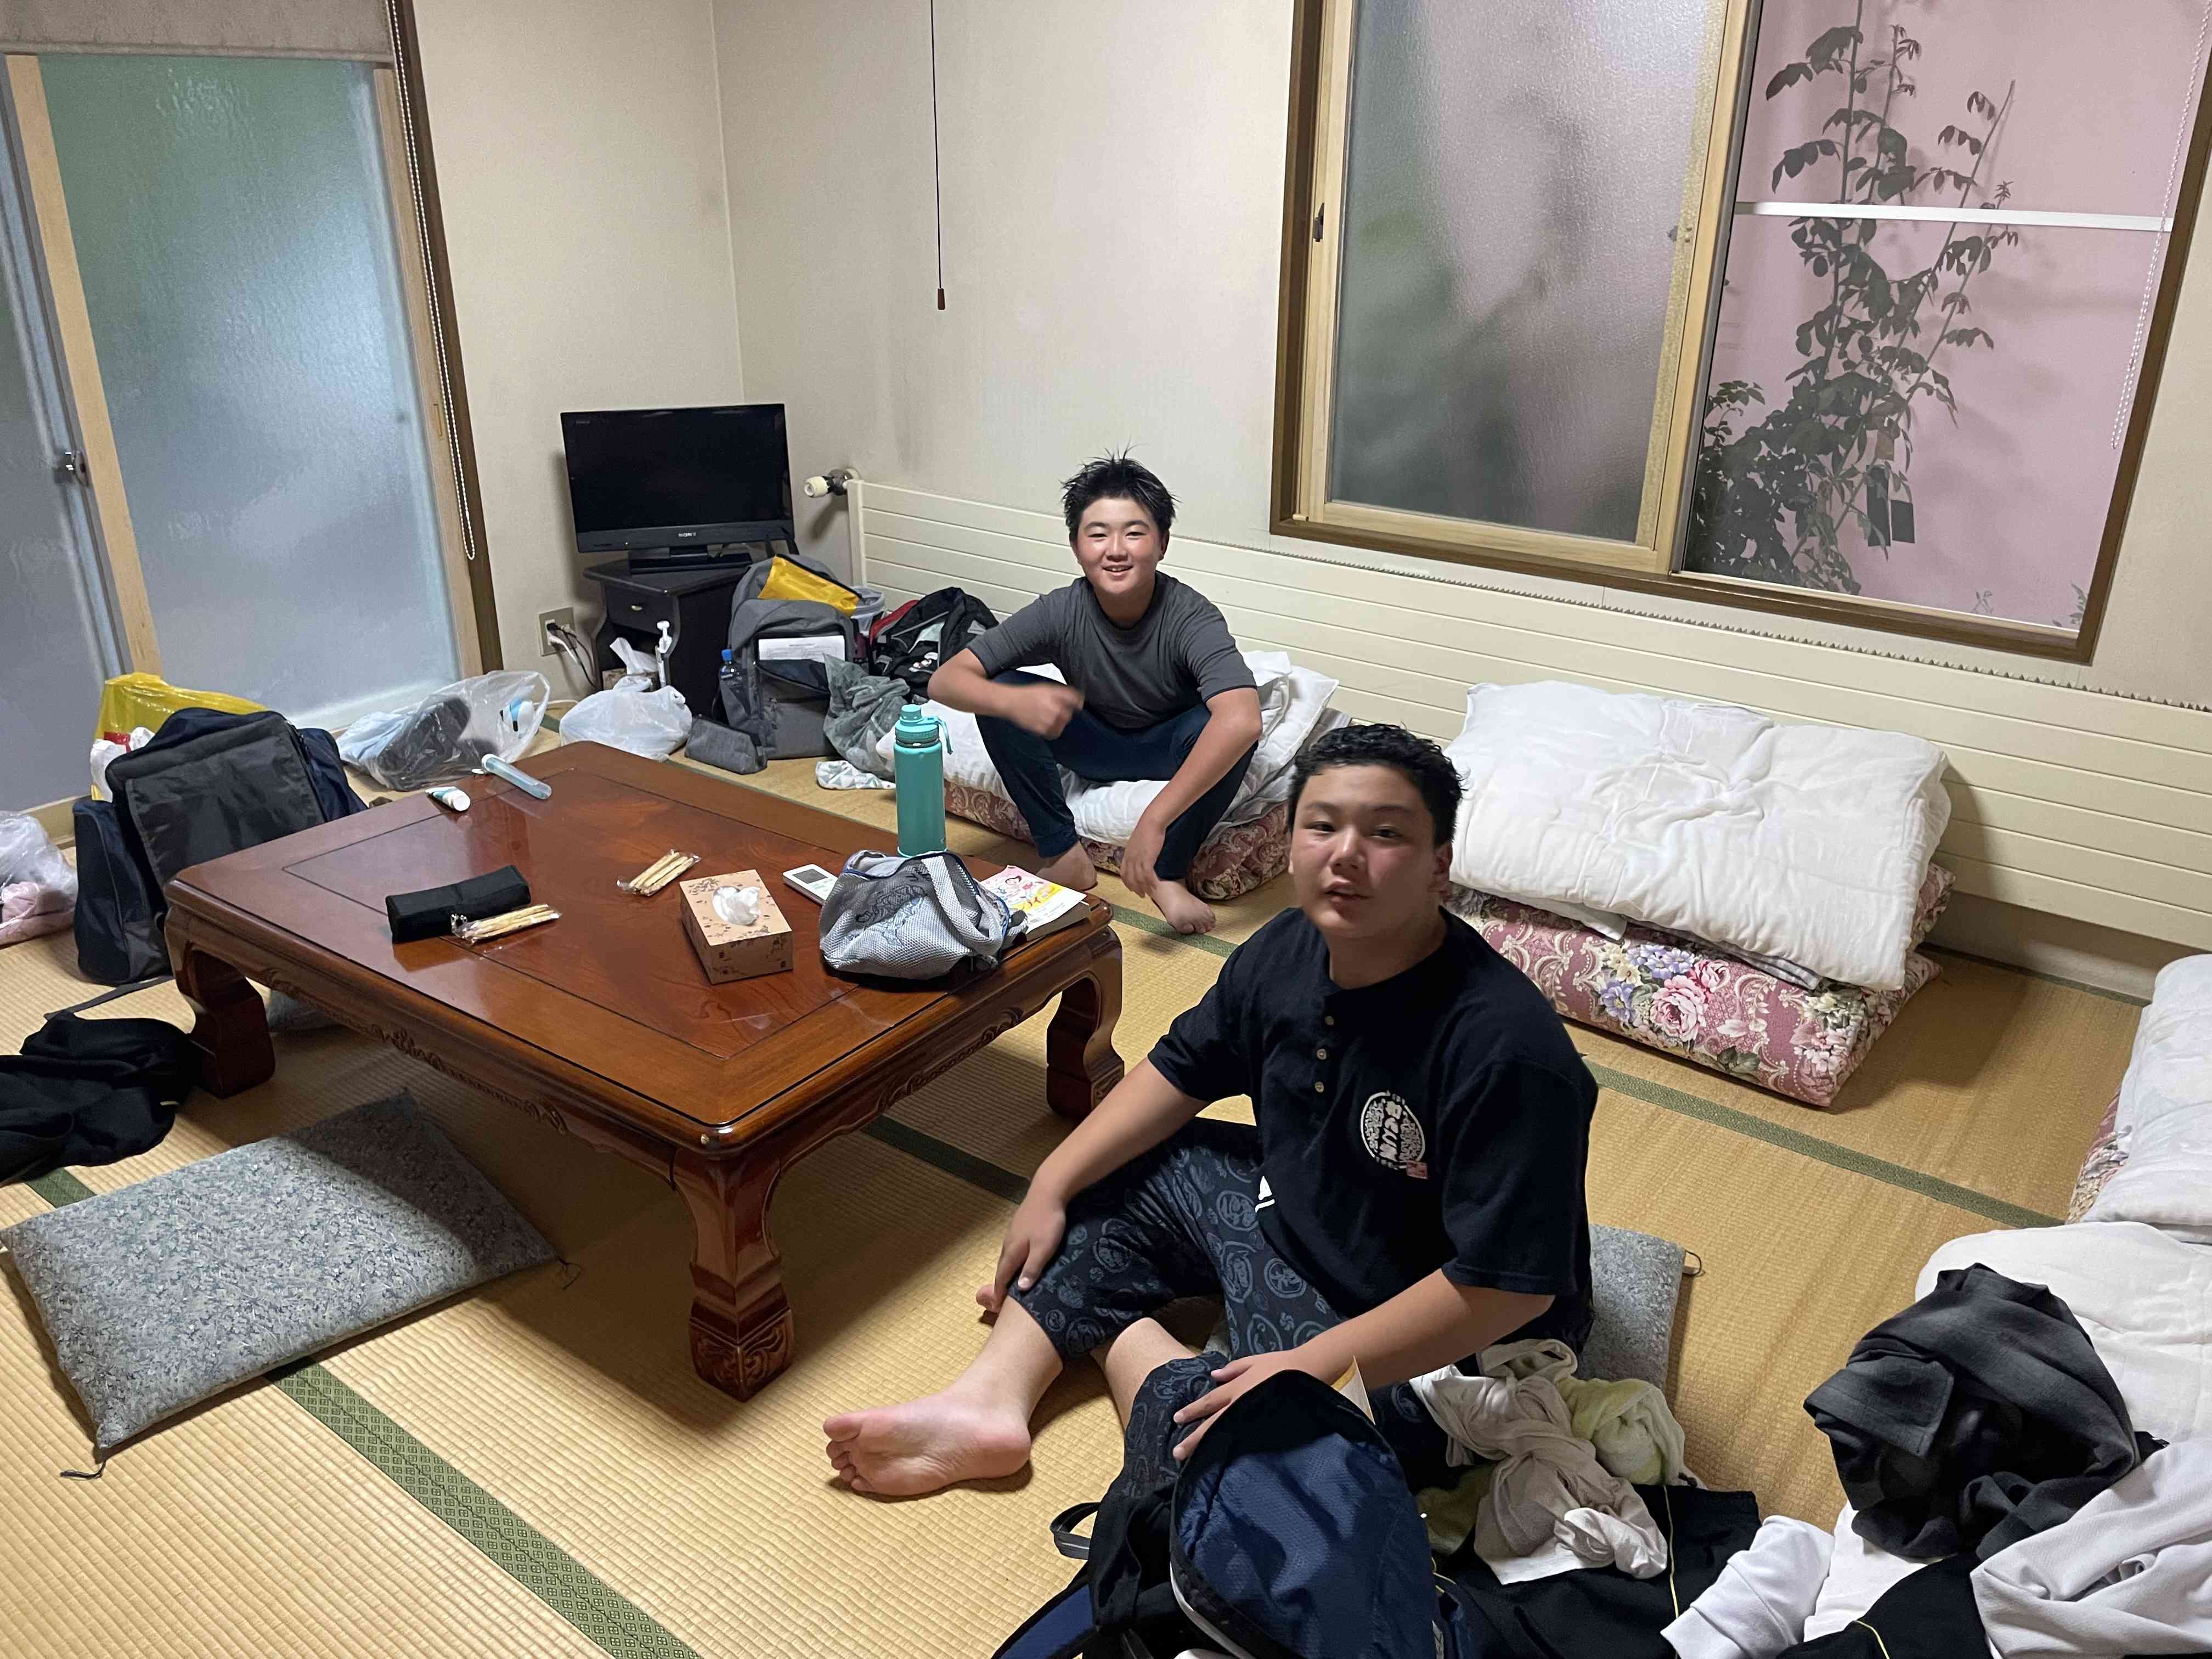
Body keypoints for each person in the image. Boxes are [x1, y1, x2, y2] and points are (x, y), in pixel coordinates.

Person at [824, 724, 1596, 1498]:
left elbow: (1508, 1288)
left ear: (1439, 867)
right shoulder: (1286, 948)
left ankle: (1124, 1337)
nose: (1346, 854)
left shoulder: (1508, 1050)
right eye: (1322, 826)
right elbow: (1180, 1069)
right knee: (1109, 1161)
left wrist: (1310, 1367)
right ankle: (986, 1402)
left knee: (1284, 1472)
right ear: (1291, 846)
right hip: (1300, 1218)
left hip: (1431, 1328)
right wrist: (1050, 1182)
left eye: (1386, 833)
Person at [926, 454, 1262, 936]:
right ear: (1076, 546)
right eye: (1098, 534)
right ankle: (1063, 854)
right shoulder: (1062, 610)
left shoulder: (1191, 615)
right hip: (1097, 743)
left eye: (1135, 533)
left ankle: (1167, 873)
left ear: (1163, 544)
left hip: (1170, 748)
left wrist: (1154, 820)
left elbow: (1243, 718)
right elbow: (946, 680)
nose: (1116, 550)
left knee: (1231, 731)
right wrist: (1013, 703)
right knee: (999, 691)